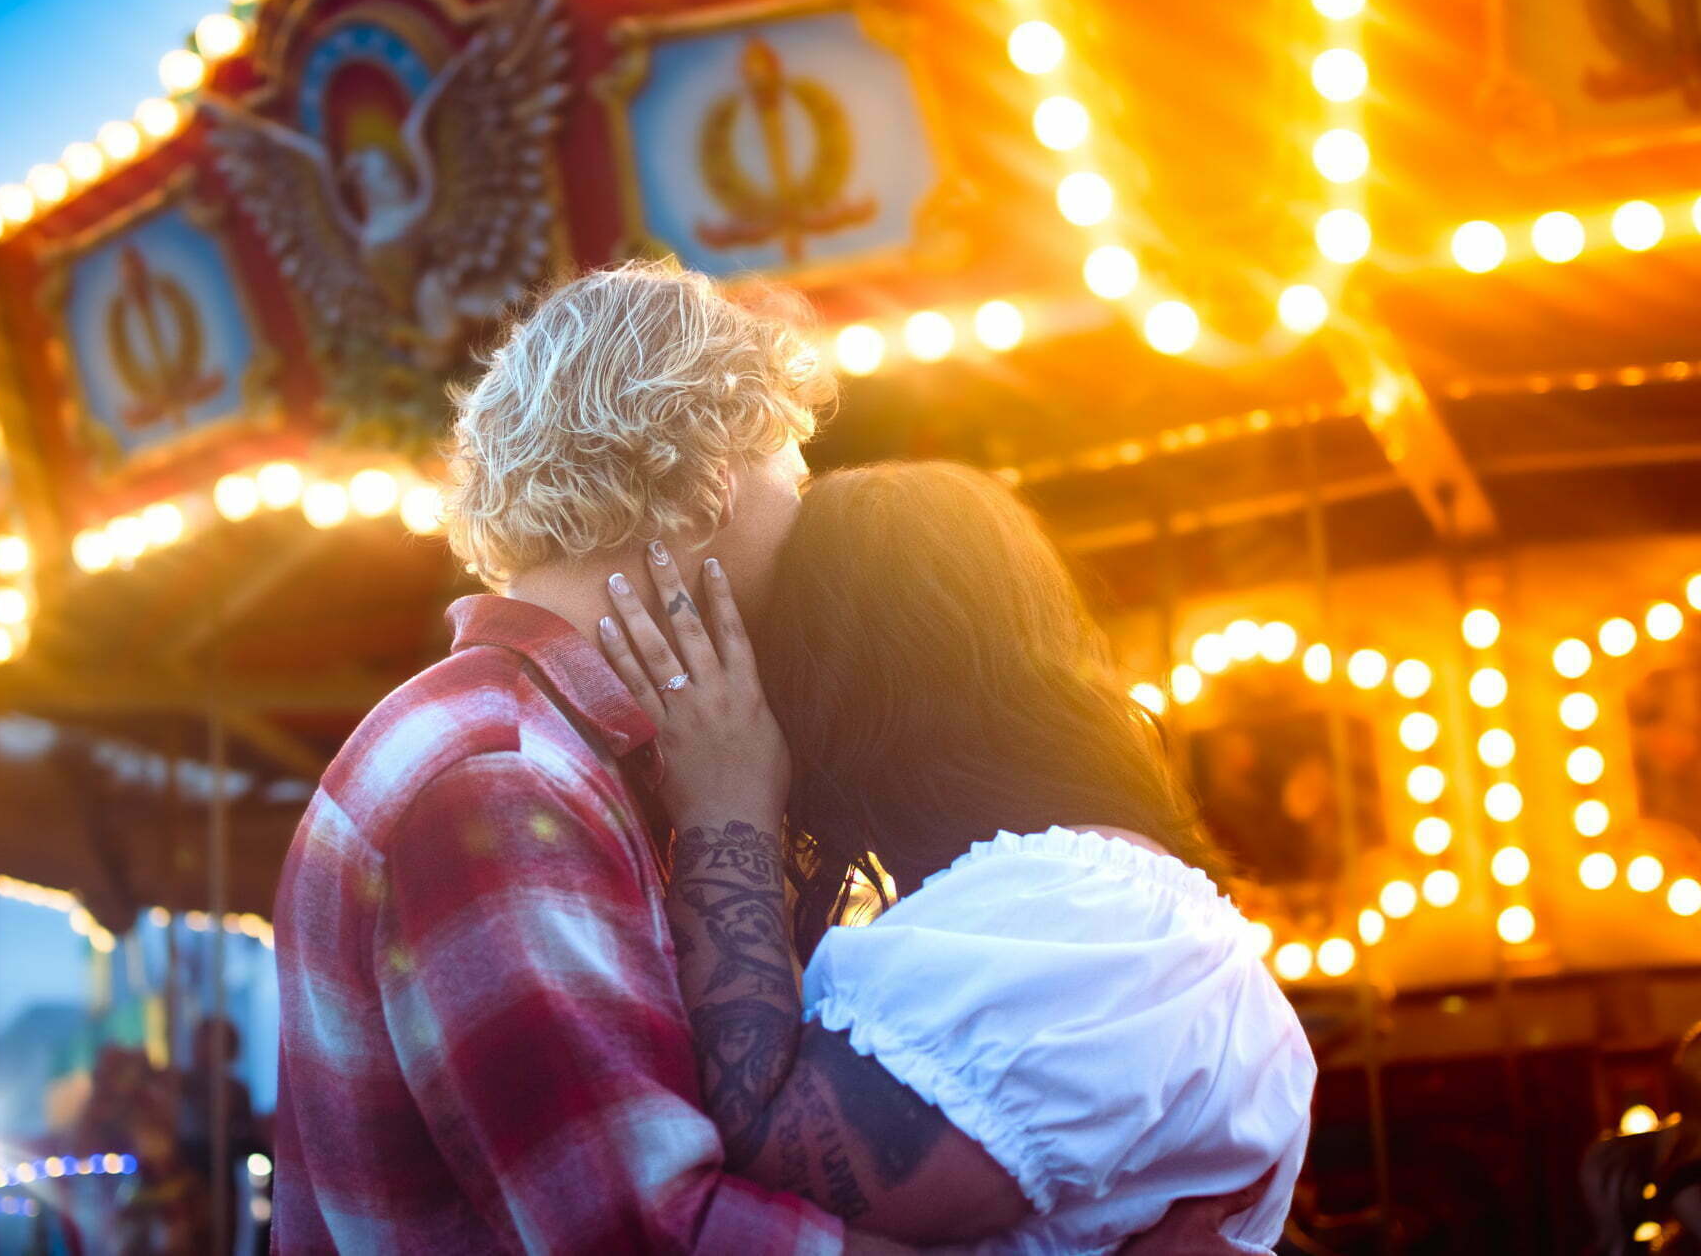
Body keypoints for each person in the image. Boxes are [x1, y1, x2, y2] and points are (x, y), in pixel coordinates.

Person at [271, 261, 1276, 1253]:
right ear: (711, 491)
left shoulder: (535, 748)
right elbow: (643, 1230)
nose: (806, 523)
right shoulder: (498, 776)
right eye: (790, 481)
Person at [595, 460, 1315, 1253]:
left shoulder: (1081, 911)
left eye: (751, 655)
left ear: (841, 682)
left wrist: (725, 805)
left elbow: (752, 1169)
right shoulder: (1047, 904)